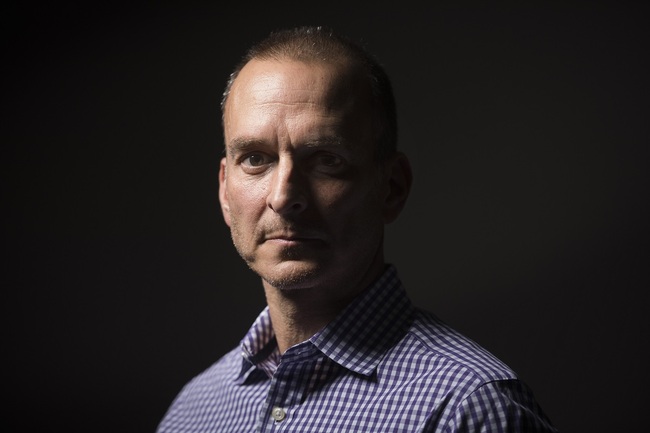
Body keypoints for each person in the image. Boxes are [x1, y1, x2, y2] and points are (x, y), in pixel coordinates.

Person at [157, 26, 558, 433]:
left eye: (326, 160)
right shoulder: (193, 411)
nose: (283, 196)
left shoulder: (468, 409)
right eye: (256, 158)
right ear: (225, 190)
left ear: (392, 187)